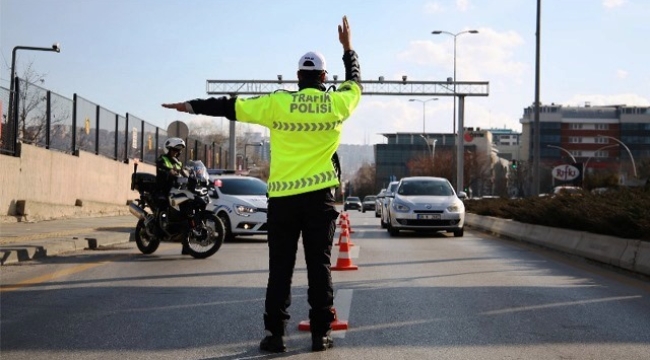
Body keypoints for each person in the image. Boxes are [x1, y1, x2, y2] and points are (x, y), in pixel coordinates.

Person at [162, 16, 361, 352]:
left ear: (298, 77)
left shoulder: (277, 102)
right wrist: (348, 48)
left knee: (280, 270)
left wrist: (190, 106)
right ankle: (320, 334)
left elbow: (230, 106)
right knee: (320, 267)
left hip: (283, 200)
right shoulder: (337, 102)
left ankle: (275, 336)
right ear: (324, 78)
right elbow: (356, 82)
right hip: (319, 201)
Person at [155, 137, 189, 254]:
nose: (177, 152)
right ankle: (158, 228)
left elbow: (184, 173)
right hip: (163, 189)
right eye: (174, 150)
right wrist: (170, 171)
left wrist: (192, 176)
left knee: (185, 217)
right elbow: (162, 167)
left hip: (176, 191)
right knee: (163, 206)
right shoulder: (162, 159)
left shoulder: (179, 162)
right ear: (168, 149)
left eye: (178, 150)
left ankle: (186, 247)